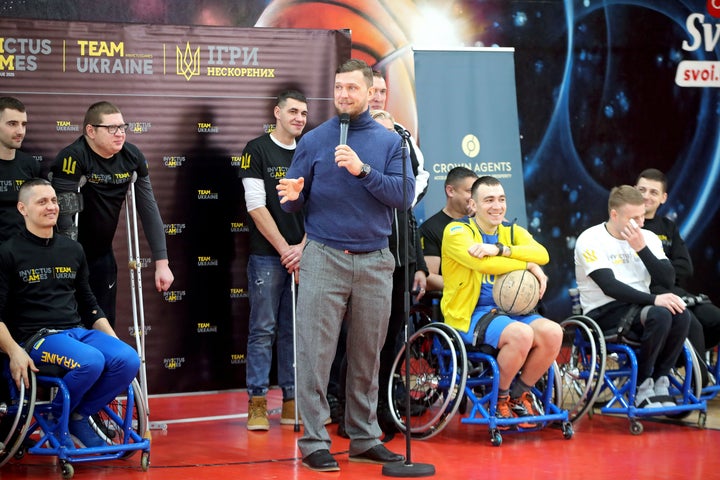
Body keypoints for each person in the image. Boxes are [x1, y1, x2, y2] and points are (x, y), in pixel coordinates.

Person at [277, 58, 411, 472]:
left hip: (375, 260)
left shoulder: (391, 143)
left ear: (370, 92)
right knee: (315, 355)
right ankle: (315, 439)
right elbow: (296, 197)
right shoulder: (314, 139)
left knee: (367, 355)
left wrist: (362, 170)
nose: (343, 95)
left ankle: (363, 437)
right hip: (323, 256)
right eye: (338, 87)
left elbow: (403, 195)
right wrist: (294, 194)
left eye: (352, 88)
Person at [0, 178, 140, 448]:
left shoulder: (73, 250)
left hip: (75, 333)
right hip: (37, 339)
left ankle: (77, 415)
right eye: (42, 202)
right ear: (22, 209)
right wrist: (14, 351)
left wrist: (113, 340)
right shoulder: (8, 252)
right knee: (90, 361)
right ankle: (56, 414)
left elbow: (90, 304)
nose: (52, 207)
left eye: (54, 200)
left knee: (128, 359)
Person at [441, 175, 561, 427]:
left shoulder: (511, 231)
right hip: (471, 314)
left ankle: (518, 395)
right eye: (489, 200)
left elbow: (544, 254)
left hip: (511, 310)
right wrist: (527, 263)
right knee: (521, 335)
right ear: (472, 205)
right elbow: (483, 263)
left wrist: (502, 249)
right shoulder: (456, 231)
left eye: (501, 199)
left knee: (553, 332)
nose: (497, 206)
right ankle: (500, 398)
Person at [50, 101, 174, 327]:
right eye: (112, 128)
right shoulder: (73, 157)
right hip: (70, 255)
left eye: (123, 127)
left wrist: (161, 262)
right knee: (72, 323)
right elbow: (62, 217)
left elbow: (148, 208)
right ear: (91, 131)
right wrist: (68, 261)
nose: (120, 134)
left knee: (105, 322)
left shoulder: (132, 157)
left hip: (102, 256)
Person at [575, 185, 691, 408]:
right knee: (660, 314)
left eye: (642, 216)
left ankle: (660, 381)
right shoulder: (590, 239)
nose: (640, 223)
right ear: (614, 214)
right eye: (633, 218)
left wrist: (642, 249)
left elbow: (667, 280)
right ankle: (641, 385)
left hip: (639, 308)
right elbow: (609, 286)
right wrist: (655, 299)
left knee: (681, 313)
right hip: (604, 312)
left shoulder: (647, 237)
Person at [238, 90, 308, 431]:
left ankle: (293, 400)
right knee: (263, 330)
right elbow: (255, 206)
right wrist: (286, 250)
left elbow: (322, 207)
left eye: (304, 113)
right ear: (277, 112)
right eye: (293, 111)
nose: (299, 118)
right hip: (269, 256)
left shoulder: (310, 151)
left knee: (294, 332)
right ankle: (258, 404)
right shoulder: (257, 149)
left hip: (304, 254)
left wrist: (303, 248)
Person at [370, 109, 428, 436]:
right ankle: (357, 414)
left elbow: (410, 220)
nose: (389, 140)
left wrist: (418, 264)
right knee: (366, 342)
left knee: (394, 340)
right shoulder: (360, 171)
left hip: (401, 265)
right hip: (370, 263)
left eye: (393, 134)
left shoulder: (402, 168)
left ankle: (385, 409)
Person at [636, 168, 720, 365]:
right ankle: (697, 381)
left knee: (716, 318)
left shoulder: (668, 227)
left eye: (653, 192)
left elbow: (686, 268)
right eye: (642, 190)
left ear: (663, 198)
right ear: (634, 190)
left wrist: (660, 272)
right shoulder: (626, 225)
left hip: (674, 291)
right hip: (644, 295)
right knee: (692, 324)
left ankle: (676, 359)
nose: (646, 196)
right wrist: (662, 270)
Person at [369, 70, 429, 205]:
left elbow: (421, 175)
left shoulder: (400, 131)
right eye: (372, 91)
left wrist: (406, 202)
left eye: (382, 92)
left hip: (398, 221)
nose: (378, 98)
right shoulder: (347, 131)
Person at [419, 166, 478, 291]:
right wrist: (468, 287)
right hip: (453, 302)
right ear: (450, 191)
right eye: (469, 191)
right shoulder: (430, 228)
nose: (474, 197)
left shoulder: (482, 222)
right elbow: (429, 277)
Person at [0, 97, 40, 244]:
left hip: (25, 253)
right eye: (12, 124)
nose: (20, 131)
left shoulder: (31, 165)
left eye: (23, 124)